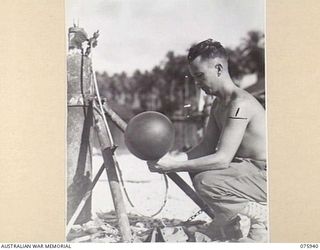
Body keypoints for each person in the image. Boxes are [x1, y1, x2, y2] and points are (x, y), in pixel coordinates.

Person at [148, 39, 267, 242]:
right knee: (197, 170)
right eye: (195, 77)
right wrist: (170, 159)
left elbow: (222, 159)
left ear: (219, 68)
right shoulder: (219, 104)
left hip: (265, 177)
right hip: (247, 171)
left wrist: (174, 166)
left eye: (200, 76)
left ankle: (258, 217)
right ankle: (233, 224)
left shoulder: (240, 104)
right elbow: (205, 147)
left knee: (206, 180)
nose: (197, 83)